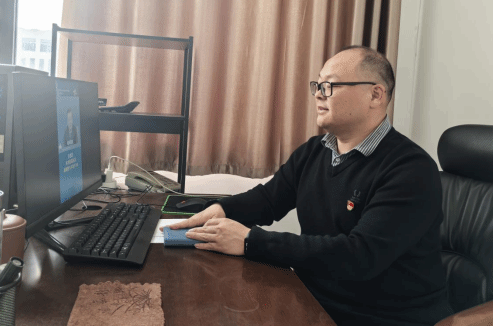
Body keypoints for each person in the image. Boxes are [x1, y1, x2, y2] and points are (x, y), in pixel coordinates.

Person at [165, 45, 454, 325]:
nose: (318, 94)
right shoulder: (315, 150)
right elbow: (269, 200)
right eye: (317, 85)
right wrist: (220, 209)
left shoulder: (410, 169)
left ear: (375, 95)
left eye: (330, 86)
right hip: (314, 300)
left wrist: (251, 241)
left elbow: (360, 256)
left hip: (380, 316)